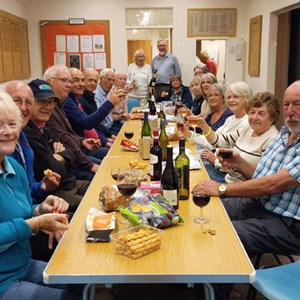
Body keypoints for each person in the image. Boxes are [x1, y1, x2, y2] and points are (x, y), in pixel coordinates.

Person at [192, 80, 300, 263]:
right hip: (260, 205)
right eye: (287, 104)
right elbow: (263, 175)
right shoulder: (283, 135)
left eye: (297, 104)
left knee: (225, 235)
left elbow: (273, 185)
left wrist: (221, 188)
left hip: (288, 223)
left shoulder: (273, 135)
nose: (290, 111)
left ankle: (211, 288)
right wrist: (239, 163)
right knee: (207, 209)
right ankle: (195, 274)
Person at [0, 91, 82, 300]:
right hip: (4, 281)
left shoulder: (14, 167)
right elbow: (25, 224)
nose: (7, 131)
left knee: (84, 282)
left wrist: (41, 208)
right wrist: (36, 223)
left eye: (12, 123)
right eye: (0, 125)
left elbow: (21, 211)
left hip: (23, 266)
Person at [25, 79, 90, 211]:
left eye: (50, 102)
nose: (48, 107)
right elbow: (52, 167)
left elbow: (71, 152)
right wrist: (60, 157)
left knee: (103, 187)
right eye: (41, 102)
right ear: (29, 104)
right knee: (95, 205)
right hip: (55, 194)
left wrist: (59, 156)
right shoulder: (27, 132)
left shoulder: (45, 127)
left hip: (71, 183)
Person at [192, 91, 279, 183]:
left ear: (272, 117)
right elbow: (219, 141)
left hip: (241, 190)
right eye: (252, 112)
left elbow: (262, 180)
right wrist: (204, 126)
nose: (254, 117)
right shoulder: (247, 128)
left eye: (261, 114)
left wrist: (234, 164)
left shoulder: (272, 139)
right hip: (228, 180)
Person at [184, 82, 252, 181]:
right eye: (229, 97)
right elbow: (213, 142)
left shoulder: (246, 123)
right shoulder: (231, 119)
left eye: (236, 97)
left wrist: (215, 161)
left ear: (246, 99)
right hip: (217, 166)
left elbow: (237, 158)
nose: (231, 100)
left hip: (226, 175)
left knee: (189, 175)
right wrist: (189, 134)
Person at [5, 80, 60, 202]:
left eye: (29, 102)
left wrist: (43, 186)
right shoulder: (6, 146)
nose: (23, 108)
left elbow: (28, 190)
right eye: (16, 101)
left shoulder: (22, 140)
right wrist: (37, 216)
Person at [43, 64, 100, 181]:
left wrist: (82, 140)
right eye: (65, 80)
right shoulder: (48, 108)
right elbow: (64, 138)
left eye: (70, 81)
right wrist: (90, 165)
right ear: (50, 81)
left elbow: (68, 134)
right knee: (103, 175)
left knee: (108, 166)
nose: (69, 85)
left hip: (72, 156)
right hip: (65, 165)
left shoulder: (59, 103)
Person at [63, 67, 124, 160]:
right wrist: (110, 103)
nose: (80, 84)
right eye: (75, 80)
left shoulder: (78, 99)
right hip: (79, 151)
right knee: (117, 155)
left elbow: (95, 125)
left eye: (82, 80)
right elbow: (87, 123)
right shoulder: (67, 101)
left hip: (88, 143)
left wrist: (108, 137)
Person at [81, 68, 115, 148]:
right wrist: (105, 140)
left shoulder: (90, 97)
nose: (93, 83)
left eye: (95, 81)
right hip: (87, 143)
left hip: (100, 135)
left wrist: (110, 135)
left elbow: (96, 124)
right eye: (90, 80)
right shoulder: (81, 99)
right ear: (83, 81)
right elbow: (89, 124)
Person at [94, 68, 124, 136]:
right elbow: (100, 116)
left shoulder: (107, 93)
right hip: (104, 130)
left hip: (112, 125)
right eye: (109, 79)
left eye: (113, 80)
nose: (111, 83)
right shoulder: (96, 95)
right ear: (101, 79)